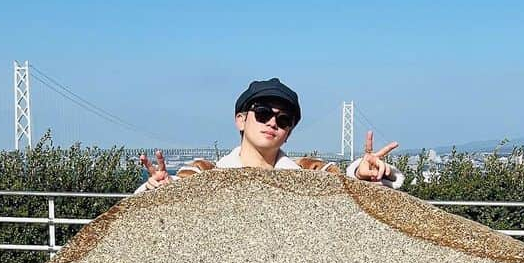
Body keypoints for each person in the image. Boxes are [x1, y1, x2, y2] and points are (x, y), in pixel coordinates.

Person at [135, 78, 403, 192]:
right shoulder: (204, 172)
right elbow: (172, 194)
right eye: (263, 112)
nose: (273, 122)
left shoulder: (308, 171)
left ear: (288, 133)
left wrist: (363, 173)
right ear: (241, 120)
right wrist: (156, 189)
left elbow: (345, 185)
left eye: (284, 120)